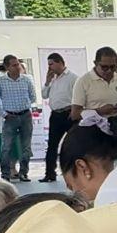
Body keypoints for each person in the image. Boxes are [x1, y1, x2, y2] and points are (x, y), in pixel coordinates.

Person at [0, 54, 37, 182]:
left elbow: (33, 97)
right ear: (7, 67)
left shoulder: (26, 79)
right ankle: (5, 174)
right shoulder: (0, 81)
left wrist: (25, 103)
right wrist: (4, 113)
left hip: (25, 115)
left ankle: (23, 173)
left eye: (18, 64)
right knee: (7, 146)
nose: (18, 67)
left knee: (26, 146)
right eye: (14, 65)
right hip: (10, 117)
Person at [40, 52, 78, 182]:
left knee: (73, 144)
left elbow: (78, 96)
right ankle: (50, 173)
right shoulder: (53, 79)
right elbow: (44, 95)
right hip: (56, 114)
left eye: (52, 64)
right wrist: (47, 81)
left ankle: (74, 171)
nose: (50, 67)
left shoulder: (72, 77)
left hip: (69, 113)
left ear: (60, 63)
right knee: (52, 145)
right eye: (48, 64)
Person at [71, 46, 117, 123]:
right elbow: (75, 114)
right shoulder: (83, 81)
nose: (109, 71)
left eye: (113, 67)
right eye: (104, 67)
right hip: (94, 129)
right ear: (95, 63)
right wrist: (99, 111)